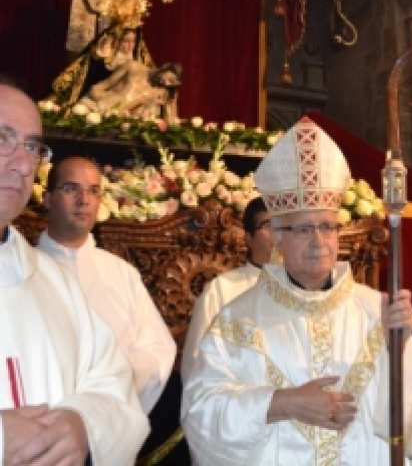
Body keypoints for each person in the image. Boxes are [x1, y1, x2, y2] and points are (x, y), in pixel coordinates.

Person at [182, 116, 412, 466]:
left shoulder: (376, 309)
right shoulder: (238, 318)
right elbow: (200, 414)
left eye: (328, 227)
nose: (319, 241)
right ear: (277, 236)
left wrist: (403, 347)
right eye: (304, 230)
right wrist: (282, 403)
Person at [0, 77, 149, 464]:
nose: (21, 165)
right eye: (3, 139)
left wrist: (85, 424)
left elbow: (115, 388)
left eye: (32, 147)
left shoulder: (56, 282)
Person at [37, 155, 176, 415]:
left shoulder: (122, 273)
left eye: (93, 191)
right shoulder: (23, 268)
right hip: (39, 426)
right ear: (47, 199)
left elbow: (158, 350)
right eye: (70, 188)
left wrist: (114, 376)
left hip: (111, 422)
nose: (83, 200)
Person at [180, 196, 274, 385]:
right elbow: (196, 362)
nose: (279, 234)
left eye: (286, 226)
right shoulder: (222, 289)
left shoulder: (308, 289)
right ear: (249, 238)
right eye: (269, 225)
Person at [49, 24, 155, 108]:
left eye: (133, 41)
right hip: (106, 97)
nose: (131, 46)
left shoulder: (138, 59)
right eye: (126, 41)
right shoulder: (107, 57)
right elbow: (98, 81)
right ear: (117, 40)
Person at [79, 60, 182, 124]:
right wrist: (99, 100)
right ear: (166, 67)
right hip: (98, 107)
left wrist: (172, 100)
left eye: (171, 84)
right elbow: (101, 86)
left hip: (120, 123)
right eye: (170, 79)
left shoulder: (161, 92)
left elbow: (171, 123)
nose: (167, 84)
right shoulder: (133, 67)